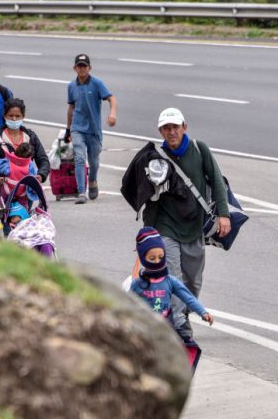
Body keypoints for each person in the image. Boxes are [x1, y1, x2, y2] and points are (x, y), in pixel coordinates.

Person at [142, 107, 229, 341]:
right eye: (166, 128)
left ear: (184, 127)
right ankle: (180, 323)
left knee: (193, 279)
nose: (171, 132)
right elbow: (150, 198)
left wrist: (224, 214)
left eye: (175, 127)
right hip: (166, 226)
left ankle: (183, 313)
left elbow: (217, 181)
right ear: (160, 131)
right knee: (174, 276)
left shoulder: (199, 150)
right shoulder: (156, 157)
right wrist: (148, 235)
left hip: (193, 226)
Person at [129, 226, 214, 329]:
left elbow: (188, 297)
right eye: (152, 258)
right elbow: (125, 305)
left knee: (189, 344)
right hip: (145, 331)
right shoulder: (138, 284)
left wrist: (202, 312)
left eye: (161, 257)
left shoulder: (170, 281)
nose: (157, 262)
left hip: (167, 331)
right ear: (143, 258)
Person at [0, 98, 50, 221]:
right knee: (8, 224)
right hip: (4, 191)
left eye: (17, 116)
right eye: (11, 116)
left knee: (22, 222)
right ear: (4, 116)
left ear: (23, 116)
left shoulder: (30, 137)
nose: (14, 119)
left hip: (25, 192)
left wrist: (41, 175)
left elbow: (43, 159)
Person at [66, 53, 117, 204]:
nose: (82, 69)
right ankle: (82, 192)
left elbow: (112, 99)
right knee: (80, 158)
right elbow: (71, 108)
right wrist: (68, 129)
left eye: (84, 66)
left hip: (94, 130)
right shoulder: (71, 86)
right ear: (74, 68)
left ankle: (93, 180)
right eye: (79, 66)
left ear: (89, 68)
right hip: (77, 128)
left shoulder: (97, 84)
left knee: (93, 161)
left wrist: (112, 113)